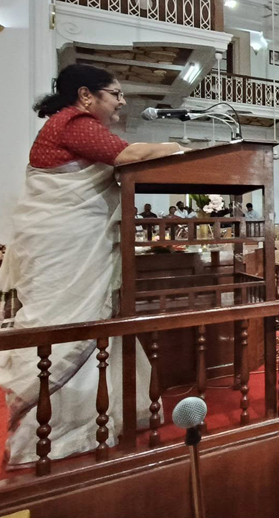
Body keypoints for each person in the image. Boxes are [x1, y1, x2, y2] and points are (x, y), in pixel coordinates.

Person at [0, 64, 190, 467]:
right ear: (86, 95)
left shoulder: (74, 125)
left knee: (90, 325)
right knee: (68, 324)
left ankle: (87, 418)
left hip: (76, 245)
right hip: (66, 247)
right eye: (116, 93)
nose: (122, 100)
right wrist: (179, 149)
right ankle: (51, 428)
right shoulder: (74, 122)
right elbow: (130, 155)